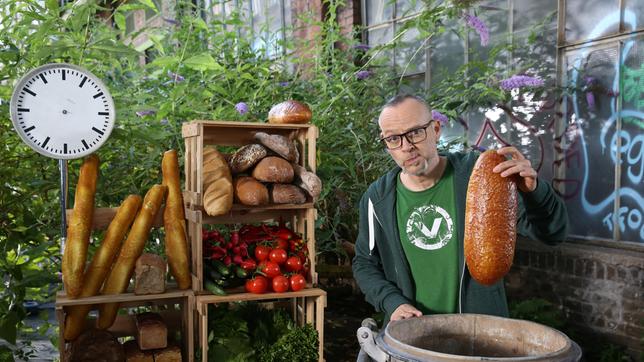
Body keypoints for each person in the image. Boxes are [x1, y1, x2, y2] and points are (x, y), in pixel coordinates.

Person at [352, 94, 568, 324]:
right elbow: (364, 262)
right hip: (411, 335)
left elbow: (553, 234)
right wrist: (391, 302)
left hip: (479, 332)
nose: (406, 147)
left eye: (415, 132)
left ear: (436, 130)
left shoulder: (481, 177)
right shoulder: (378, 199)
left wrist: (534, 193)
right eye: (394, 138)